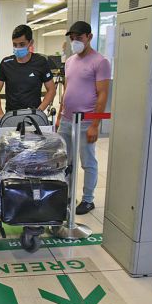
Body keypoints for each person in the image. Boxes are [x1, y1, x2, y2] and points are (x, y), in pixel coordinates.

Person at [56, 21, 111, 215]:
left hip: (86, 120)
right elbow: (67, 89)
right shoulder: (70, 61)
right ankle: (68, 194)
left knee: (87, 161)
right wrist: (60, 114)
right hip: (66, 119)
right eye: (72, 39)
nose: (75, 42)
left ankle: (88, 199)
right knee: (65, 161)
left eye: (78, 38)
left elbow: (103, 94)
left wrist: (95, 124)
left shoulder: (100, 62)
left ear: (89, 37)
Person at [0, 24, 56, 117]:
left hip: (33, 116)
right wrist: (0, 114)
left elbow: (51, 90)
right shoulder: (6, 63)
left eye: (22, 44)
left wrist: (39, 111)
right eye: (14, 44)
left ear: (30, 43)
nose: (18, 47)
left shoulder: (40, 62)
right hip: (11, 116)